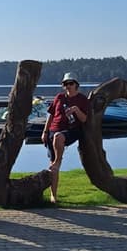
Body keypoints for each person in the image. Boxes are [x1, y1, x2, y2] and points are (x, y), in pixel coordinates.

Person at [41, 72, 90, 204]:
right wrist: (45, 132)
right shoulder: (59, 97)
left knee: (59, 138)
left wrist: (75, 110)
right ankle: (53, 195)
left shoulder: (82, 99)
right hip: (53, 130)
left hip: (71, 131)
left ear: (76, 85)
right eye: (65, 84)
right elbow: (50, 115)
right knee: (52, 166)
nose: (68, 86)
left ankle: (58, 161)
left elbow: (84, 119)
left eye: (70, 83)